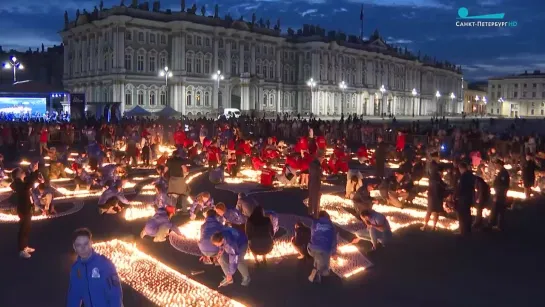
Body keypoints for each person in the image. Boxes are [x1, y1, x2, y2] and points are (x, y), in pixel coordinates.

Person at [67, 228, 123, 306]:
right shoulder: (76, 269)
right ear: (74, 247)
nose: (83, 248)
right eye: (79, 245)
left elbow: (115, 294)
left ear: (91, 243)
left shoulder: (105, 264)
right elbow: (74, 296)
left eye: (86, 244)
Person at [11, 165, 42, 259]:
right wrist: (34, 171)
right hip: (23, 209)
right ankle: (21, 250)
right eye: (21, 172)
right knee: (23, 229)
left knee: (27, 228)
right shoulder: (18, 183)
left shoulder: (21, 182)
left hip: (27, 208)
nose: (23, 172)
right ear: (17, 175)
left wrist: (35, 171)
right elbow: (29, 184)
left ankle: (25, 246)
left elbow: (30, 181)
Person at [307, 211, 337, 283]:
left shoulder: (315, 223)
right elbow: (334, 240)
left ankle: (316, 267)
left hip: (312, 249)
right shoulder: (332, 226)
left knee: (318, 254)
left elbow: (312, 235)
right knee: (326, 264)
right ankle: (320, 273)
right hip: (325, 249)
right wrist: (333, 252)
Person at [421, 161, 446, 231]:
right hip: (437, 196)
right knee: (436, 212)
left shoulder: (432, 176)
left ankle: (425, 226)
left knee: (429, 211)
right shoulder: (438, 178)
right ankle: (433, 226)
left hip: (432, 196)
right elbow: (442, 186)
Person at [454, 162, 475, 236]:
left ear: (461, 168)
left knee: (462, 214)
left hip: (463, 197)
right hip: (469, 197)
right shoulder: (471, 175)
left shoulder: (463, 177)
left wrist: (455, 196)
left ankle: (462, 230)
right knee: (467, 213)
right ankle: (468, 229)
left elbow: (460, 188)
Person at [489, 159, 510, 231]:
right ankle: (498, 225)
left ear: (500, 165)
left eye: (496, 164)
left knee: (498, 210)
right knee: (499, 210)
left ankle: (496, 225)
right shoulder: (501, 172)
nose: (495, 166)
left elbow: (503, 186)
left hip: (500, 195)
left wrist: (497, 195)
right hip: (500, 194)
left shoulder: (503, 173)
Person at [308, 152, 325, 218]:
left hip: (311, 182)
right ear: (319, 157)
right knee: (316, 199)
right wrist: (323, 176)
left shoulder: (312, 164)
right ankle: (316, 214)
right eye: (322, 158)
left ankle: (310, 212)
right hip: (316, 183)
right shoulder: (317, 165)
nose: (323, 159)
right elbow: (318, 174)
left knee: (311, 198)